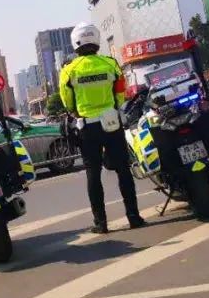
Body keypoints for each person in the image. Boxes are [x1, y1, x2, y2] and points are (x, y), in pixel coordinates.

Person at [59, 23, 146, 234]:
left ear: (75, 43)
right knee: (123, 170)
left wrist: (77, 112)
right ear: (96, 40)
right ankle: (133, 217)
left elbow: (67, 101)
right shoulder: (110, 64)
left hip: (87, 127)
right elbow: (120, 92)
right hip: (111, 123)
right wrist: (112, 107)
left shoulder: (68, 70)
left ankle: (101, 223)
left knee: (93, 173)